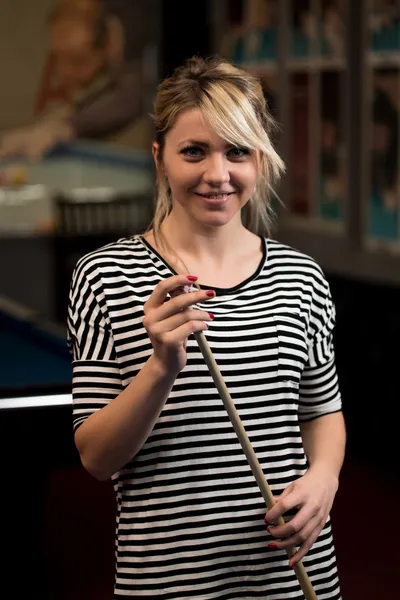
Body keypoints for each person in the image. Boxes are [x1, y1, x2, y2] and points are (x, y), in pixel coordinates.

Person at [67, 55, 346, 599]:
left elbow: (323, 413)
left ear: (260, 161)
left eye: (237, 151)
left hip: (292, 575)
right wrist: (161, 370)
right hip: (168, 580)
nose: (217, 174)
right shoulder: (105, 275)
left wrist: (325, 480)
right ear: (160, 159)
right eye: (194, 151)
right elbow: (96, 459)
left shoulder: (301, 275)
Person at [0, 1, 146, 161]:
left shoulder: (152, 26)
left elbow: (135, 92)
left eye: (76, 60)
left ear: (110, 43)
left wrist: (65, 127)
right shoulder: (118, 22)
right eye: (58, 58)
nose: (64, 74)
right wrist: (57, 121)